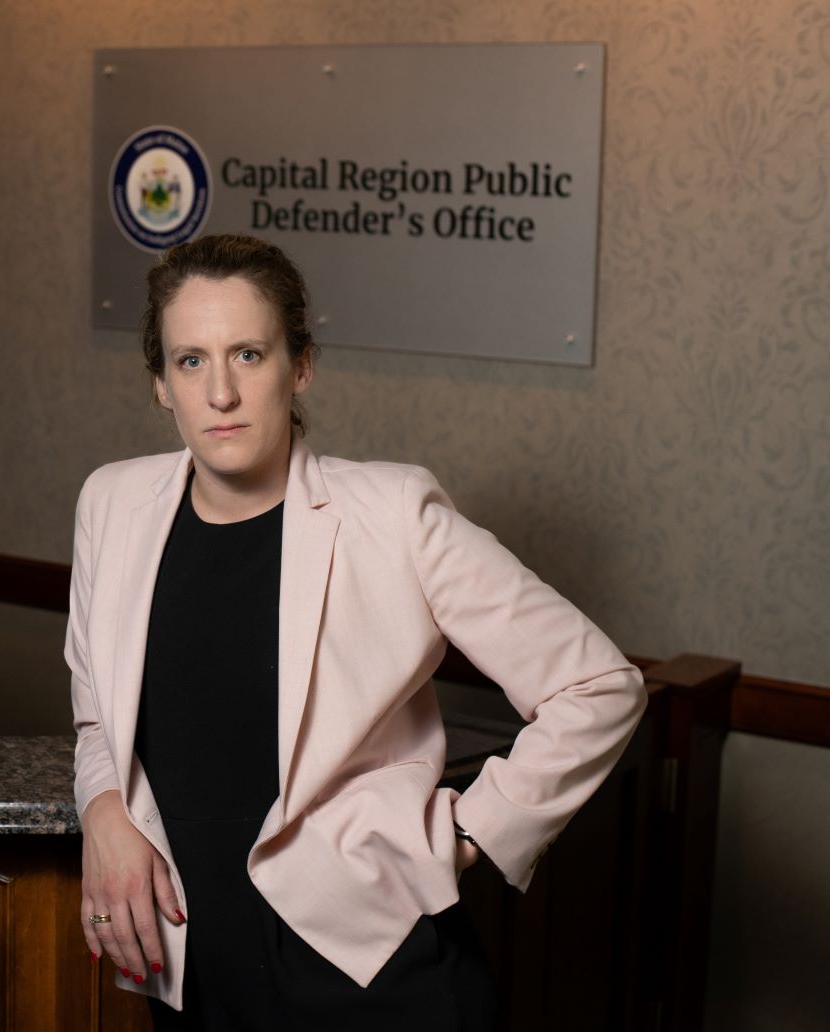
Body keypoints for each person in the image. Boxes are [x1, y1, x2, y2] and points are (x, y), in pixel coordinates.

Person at [67, 235, 646, 1029]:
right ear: (161, 384)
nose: (222, 392)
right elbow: (98, 704)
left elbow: (599, 686)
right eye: (192, 361)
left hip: (373, 977)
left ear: (299, 366)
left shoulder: (393, 516)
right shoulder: (112, 506)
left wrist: (468, 835)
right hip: (194, 973)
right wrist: (103, 809)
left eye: (249, 353)